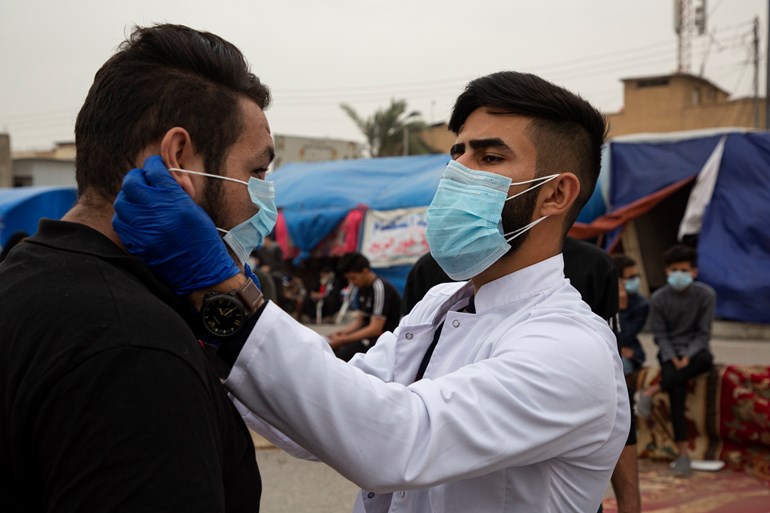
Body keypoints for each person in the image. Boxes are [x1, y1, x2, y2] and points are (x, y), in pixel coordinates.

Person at [114, 71, 630, 512]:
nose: (458, 172)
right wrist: (214, 319)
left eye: (490, 158)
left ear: (556, 194)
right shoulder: (440, 305)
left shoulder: (570, 348)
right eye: (458, 152)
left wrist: (223, 289)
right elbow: (327, 413)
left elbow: (397, 441)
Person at [0, 24, 270, 512]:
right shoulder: (137, 349)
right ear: (178, 157)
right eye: (257, 173)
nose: (262, 204)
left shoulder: (20, 276)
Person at [403, 239, 642, 513]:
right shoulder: (431, 271)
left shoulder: (591, 267)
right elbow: (405, 368)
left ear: (556, 196)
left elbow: (612, 389)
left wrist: (630, 503)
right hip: (433, 463)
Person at [637, 244, 716, 478]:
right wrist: (673, 357)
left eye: (683, 270)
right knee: (677, 391)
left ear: (694, 272)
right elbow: (660, 336)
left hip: (695, 352)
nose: (678, 275)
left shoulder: (706, 295)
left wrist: (688, 355)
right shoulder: (659, 298)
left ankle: (652, 390)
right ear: (666, 272)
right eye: (673, 270)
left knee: (705, 359)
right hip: (670, 352)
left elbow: (703, 333)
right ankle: (683, 453)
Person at [328, 252, 402, 361]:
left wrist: (344, 339)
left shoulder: (379, 288)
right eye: (348, 279)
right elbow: (360, 321)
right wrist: (342, 333)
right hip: (369, 336)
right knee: (331, 349)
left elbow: (375, 329)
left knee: (340, 357)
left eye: (353, 278)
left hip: (381, 339)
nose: (351, 282)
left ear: (365, 271)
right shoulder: (363, 288)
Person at [611, 254, 649, 375]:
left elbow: (625, 336)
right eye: (632, 277)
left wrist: (622, 310)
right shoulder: (599, 298)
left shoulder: (640, 304)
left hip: (629, 354)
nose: (636, 280)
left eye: (637, 276)